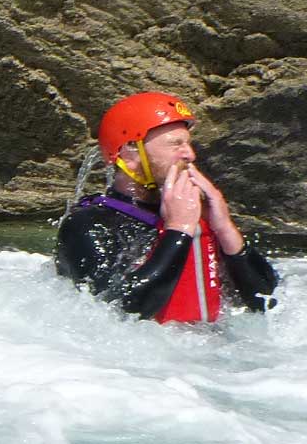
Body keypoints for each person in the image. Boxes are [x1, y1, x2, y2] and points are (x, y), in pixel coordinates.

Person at [55, 91, 280, 323]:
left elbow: (269, 305)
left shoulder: (199, 217)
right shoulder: (86, 225)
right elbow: (117, 313)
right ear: (130, 152)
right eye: (175, 144)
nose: (190, 155)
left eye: (188, 143)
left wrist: (225, 229)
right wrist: (178, 229)